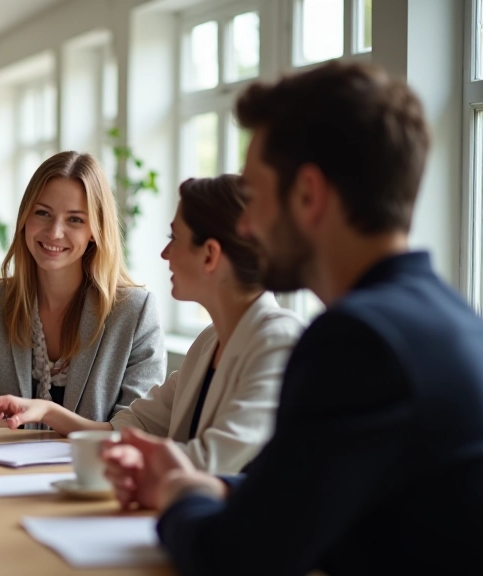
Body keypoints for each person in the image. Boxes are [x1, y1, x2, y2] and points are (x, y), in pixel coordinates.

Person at [103, 61, 483, 574]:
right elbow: (313, 496)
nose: (245, 223)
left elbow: (237, 558)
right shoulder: (445, 320)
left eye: (255, 195)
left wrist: (174, 491)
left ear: (308, 194)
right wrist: (213, 486)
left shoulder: (356, 341)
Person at [0, 175, 303, 474]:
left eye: (174, 238)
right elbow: (128, 427)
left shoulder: (278, 341)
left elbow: (214, 461)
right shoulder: (210, 342)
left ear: (210, 255)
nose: (165, 254)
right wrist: (46, 411)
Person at [0, 151, 166, 438]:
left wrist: (49, 412)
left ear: (95, 230)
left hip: (96, 476)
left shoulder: (135, 312)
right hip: (6, 476)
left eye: (75, 219)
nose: (54, 232)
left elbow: (137, 430)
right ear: (25, 217)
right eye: (42, 213)